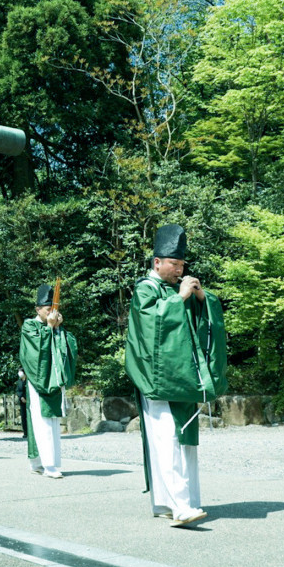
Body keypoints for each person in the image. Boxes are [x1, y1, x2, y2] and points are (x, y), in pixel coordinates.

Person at [125, 224, 228, 528]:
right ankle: (179, 505)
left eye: (182, 264)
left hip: (183, 375)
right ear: (157, 262)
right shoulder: (146, 287)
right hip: (157, 377)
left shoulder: (176, 288)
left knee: (183, 440)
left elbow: (205, 321)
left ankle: (173, 502)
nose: (179, 269)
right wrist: (179, 298)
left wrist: (200, 298)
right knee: (166, 437)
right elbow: (150, 323)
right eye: (173, 264)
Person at [19, 283, 78, 479]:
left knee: (51, 422)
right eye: (48, 309)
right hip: (38, 382)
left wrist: (58, 329)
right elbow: (34, 352)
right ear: (38, 309)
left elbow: (67, 347)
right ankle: (48, 466)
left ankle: (43, 463)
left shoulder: (54, 326)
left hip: (54, 380)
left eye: (54, 309)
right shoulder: (30, 325)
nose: (52, 313)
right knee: (41, 420)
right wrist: (50, 327)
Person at [16, 368, 28, 438]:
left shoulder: (28, 381)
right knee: (23, 417)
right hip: (22, 401)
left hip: (29, 401)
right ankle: (25, 432)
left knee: (30, 417)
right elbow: (18, 391)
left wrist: (27, 398)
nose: (19, 373)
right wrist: (21, 397)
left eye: (20, 372)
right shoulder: (19, 382)